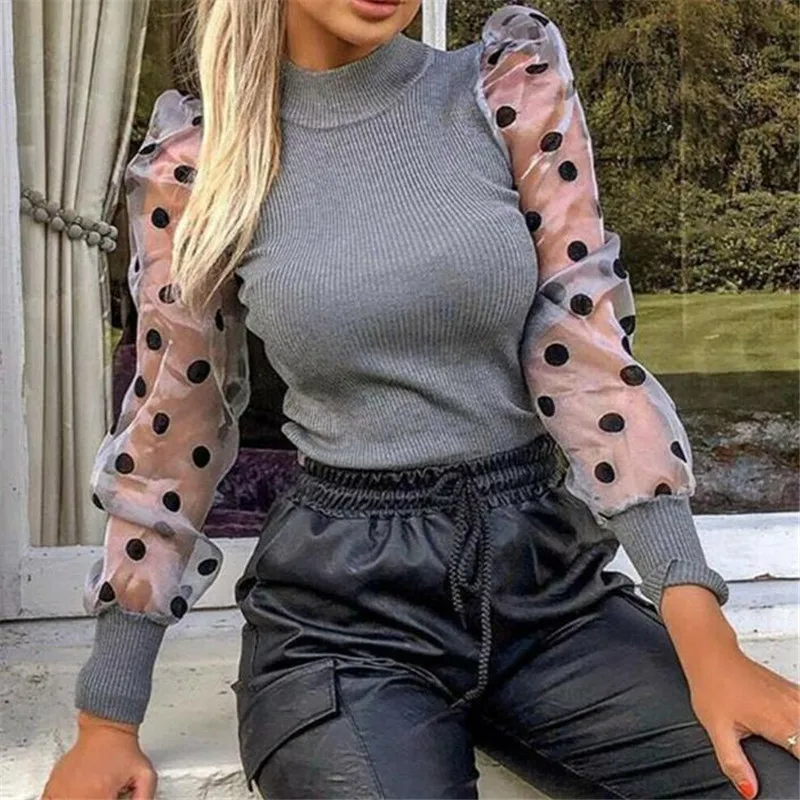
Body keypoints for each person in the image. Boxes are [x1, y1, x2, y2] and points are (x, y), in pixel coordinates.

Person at [43, 1, 799, 798]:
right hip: (342, 626)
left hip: (549, 597)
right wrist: (108, 717)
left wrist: (699, 624)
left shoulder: (507, 90)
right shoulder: (201, 161)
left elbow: (586, 354)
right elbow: (174, 427)